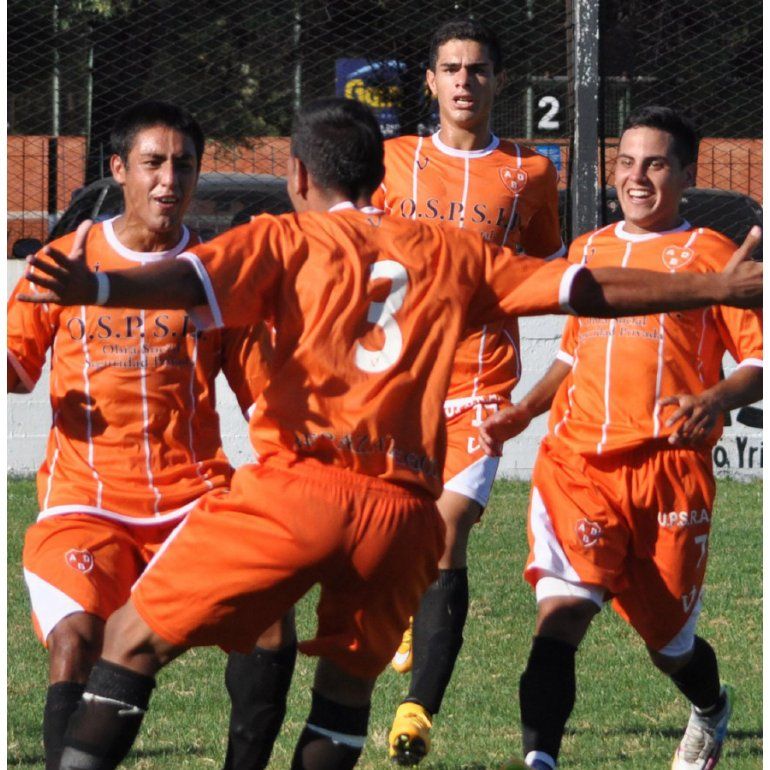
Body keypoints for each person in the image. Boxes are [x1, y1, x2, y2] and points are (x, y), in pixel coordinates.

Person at [20, 97, 760, 770]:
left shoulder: (284, 239)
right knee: (343, 699)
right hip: (405, 517)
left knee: (128, 644)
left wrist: (104, 286)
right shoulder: (452, 252)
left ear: (298, 174)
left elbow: (185, 280)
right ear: (380, 175)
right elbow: (582, 286)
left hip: (300, 491)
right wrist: (716, 287)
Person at [479, 106, 763, 770]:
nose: (637, 178)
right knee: (561, 617)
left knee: (670, 645)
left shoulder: (716, 259)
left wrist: (715, 397)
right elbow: (573, 357)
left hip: (669, 474)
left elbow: (757, 361)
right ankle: (540, 760)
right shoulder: (590, 250)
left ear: (687, 173)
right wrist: (523, 414)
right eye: (627, 162)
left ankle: (710, 708)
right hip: (579, 469)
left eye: (656, 163)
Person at [6, 100, 278, 770]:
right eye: (153, 163)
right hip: (85, 501)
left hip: (193, 499)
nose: (169, 180)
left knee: (270, 625)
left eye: (183, 165)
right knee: (77, 639)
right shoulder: (63, 261)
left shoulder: (212, 277)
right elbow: (15, 366)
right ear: (119, 169)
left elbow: (264, 397)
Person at [370, 18, 565, 763]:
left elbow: (545, 270)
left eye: (477, 70)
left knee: (448, 530)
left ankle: (418, 710)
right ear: (429, 81)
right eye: (450, 69)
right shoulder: (392, 163)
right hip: (398, 380)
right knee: (394, 530)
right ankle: (405, 613)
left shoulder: (531, 172)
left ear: (498, 81)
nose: (463, 82)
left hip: (483, 381)